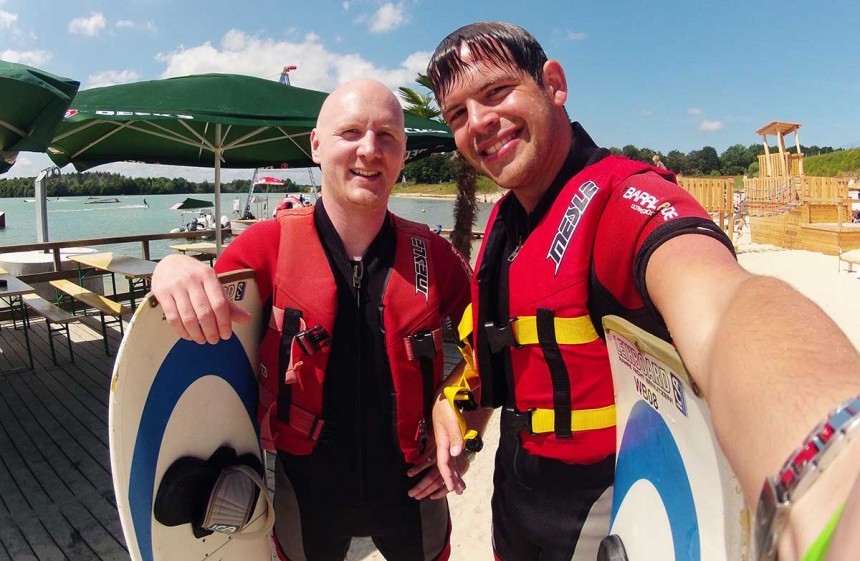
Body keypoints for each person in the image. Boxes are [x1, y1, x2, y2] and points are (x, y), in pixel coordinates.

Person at [426, 21, 860, 561]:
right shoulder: (508, 222)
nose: (479, 123)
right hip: (517, 502)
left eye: (495, 92)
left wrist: (833, 468)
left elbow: (725, 307)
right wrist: (456, 404)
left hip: (605, 506)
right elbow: (498, 349)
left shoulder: (624, 203)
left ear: (554, 84)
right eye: (457, 114)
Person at [151, 79, 472, 561]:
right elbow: (205, 300)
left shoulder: (435, 257)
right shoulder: (266, 247)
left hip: (414, 485)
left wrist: (462, 416)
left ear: (403, 154)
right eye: (351, 132)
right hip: (308, 490)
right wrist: (170, 269)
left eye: (387, 136)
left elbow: (494, 343)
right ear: (317, 146)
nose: (370, 149)